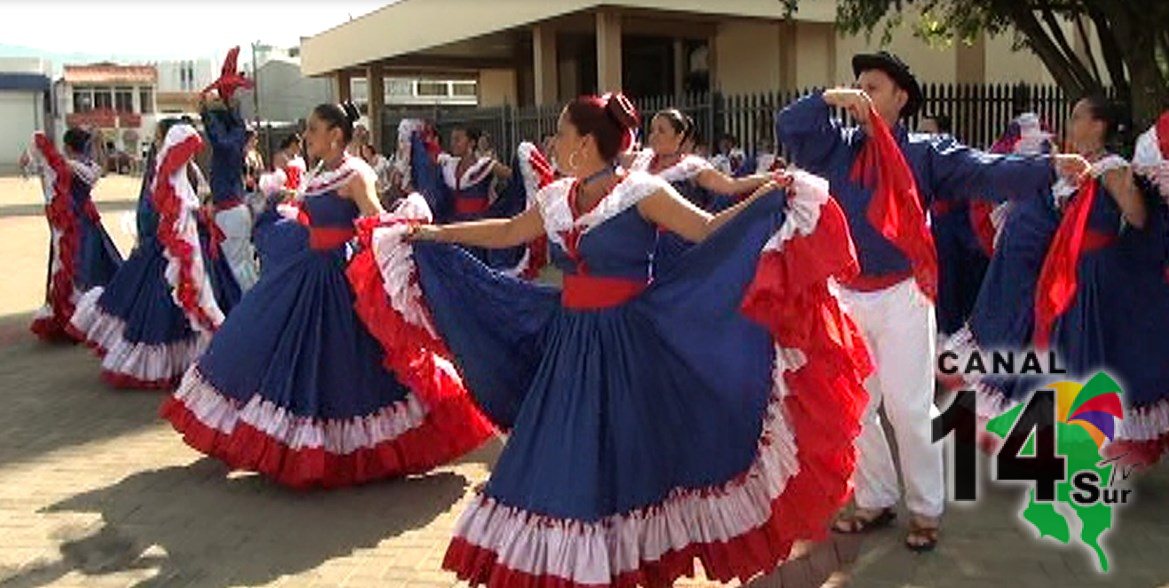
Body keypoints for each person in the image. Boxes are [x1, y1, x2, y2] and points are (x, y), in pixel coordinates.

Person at [362, 93, 871, 586]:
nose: (555, 143)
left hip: (630, 346)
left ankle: (616, 564)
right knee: (560, 455)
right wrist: (436, 236)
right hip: (569, 344)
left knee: (624, 458)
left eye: (562, 134)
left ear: (585, 143)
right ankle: (572, 567)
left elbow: (707, 230)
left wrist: (764, 199)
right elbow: (508, 231)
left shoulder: (642, 192)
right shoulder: (557, 196)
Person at [777, 50, 1091, 551]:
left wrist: (1048, 165)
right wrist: (829, 97)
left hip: (903, 295)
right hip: (846, 295)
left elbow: (986, 170)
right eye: (858, 85)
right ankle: (876, 498)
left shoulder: (924, 152)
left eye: (873, 87)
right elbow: (789, 124)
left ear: (901, 98)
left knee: (908, 407)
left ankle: (925, 510)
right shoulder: (835, 148)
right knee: (855, 408)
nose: (862, 94)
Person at [160, 102, 493, 488]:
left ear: (336, 135)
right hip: (307, 269)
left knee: (345, 363)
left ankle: (345, 450)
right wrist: (289, 199)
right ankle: (300, 445)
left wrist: (402, 236)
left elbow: (376, 221)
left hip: (338, 277)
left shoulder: (356, 174)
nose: (308, 136)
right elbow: (312, 211)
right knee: (264, 339)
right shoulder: (322, 172)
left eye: (314, 129)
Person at [953, 97, 1169, 468]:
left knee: (1081, 363)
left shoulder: (1112, 167)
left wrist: (1115, 184)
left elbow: (1136, 218)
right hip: (1063, 276)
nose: (1071, 124)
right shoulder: (1073, 170)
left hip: (1091, 281)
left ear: (1098, 125)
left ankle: (1080, 452)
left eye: (1077, 117)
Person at [69, 120, 227, 389]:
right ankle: (166, 364)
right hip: (169, 250)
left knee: (185, 306)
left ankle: (187, 360)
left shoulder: (187, 169)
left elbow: (197, 199)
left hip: (190, 247)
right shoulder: (163, 171)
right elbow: (152, 210)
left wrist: (204, 212)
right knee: (165, 308)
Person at [625, 108, 777, 273]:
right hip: (638, 244)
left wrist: (771, 177)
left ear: (679, 137)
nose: (653, 136)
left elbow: (731, 186)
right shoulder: (641, 160)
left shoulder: (690, 167)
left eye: (661, 131)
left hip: (674, 246)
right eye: (652, 130)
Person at [397, 121, 552, 276]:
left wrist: (527, 177)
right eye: (452, 139)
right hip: (452, 228)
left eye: (458, 139)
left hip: (477, 231)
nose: (453, 144)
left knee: (478, 273)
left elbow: (516, 179)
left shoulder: (485, 165)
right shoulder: (447, 164)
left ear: (471, 143)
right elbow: (425, 166)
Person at [25, 128, 124, 341]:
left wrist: (40, 148)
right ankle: (96, 316)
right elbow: (98, 169)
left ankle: (73, 319)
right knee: (97, 268)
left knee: (73, 270)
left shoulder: (67, 166)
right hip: (88, 225)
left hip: (71, 227)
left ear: (68, 146)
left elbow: (42, 165)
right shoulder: (91, 166)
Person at [200, 94, 258, 292]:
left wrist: (207, 113)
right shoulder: (235, 141)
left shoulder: (228, 146)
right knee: (242, 263)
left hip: (230, 212)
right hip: (234, 210)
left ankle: (242, 306)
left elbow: (219, 139)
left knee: (233, 265)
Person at [243, 129, 264, 194]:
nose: (256, 142)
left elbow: (261, 171)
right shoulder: (239, 155)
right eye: (253, 139)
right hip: (242, 190)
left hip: (254, 190)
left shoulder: (257, 155)